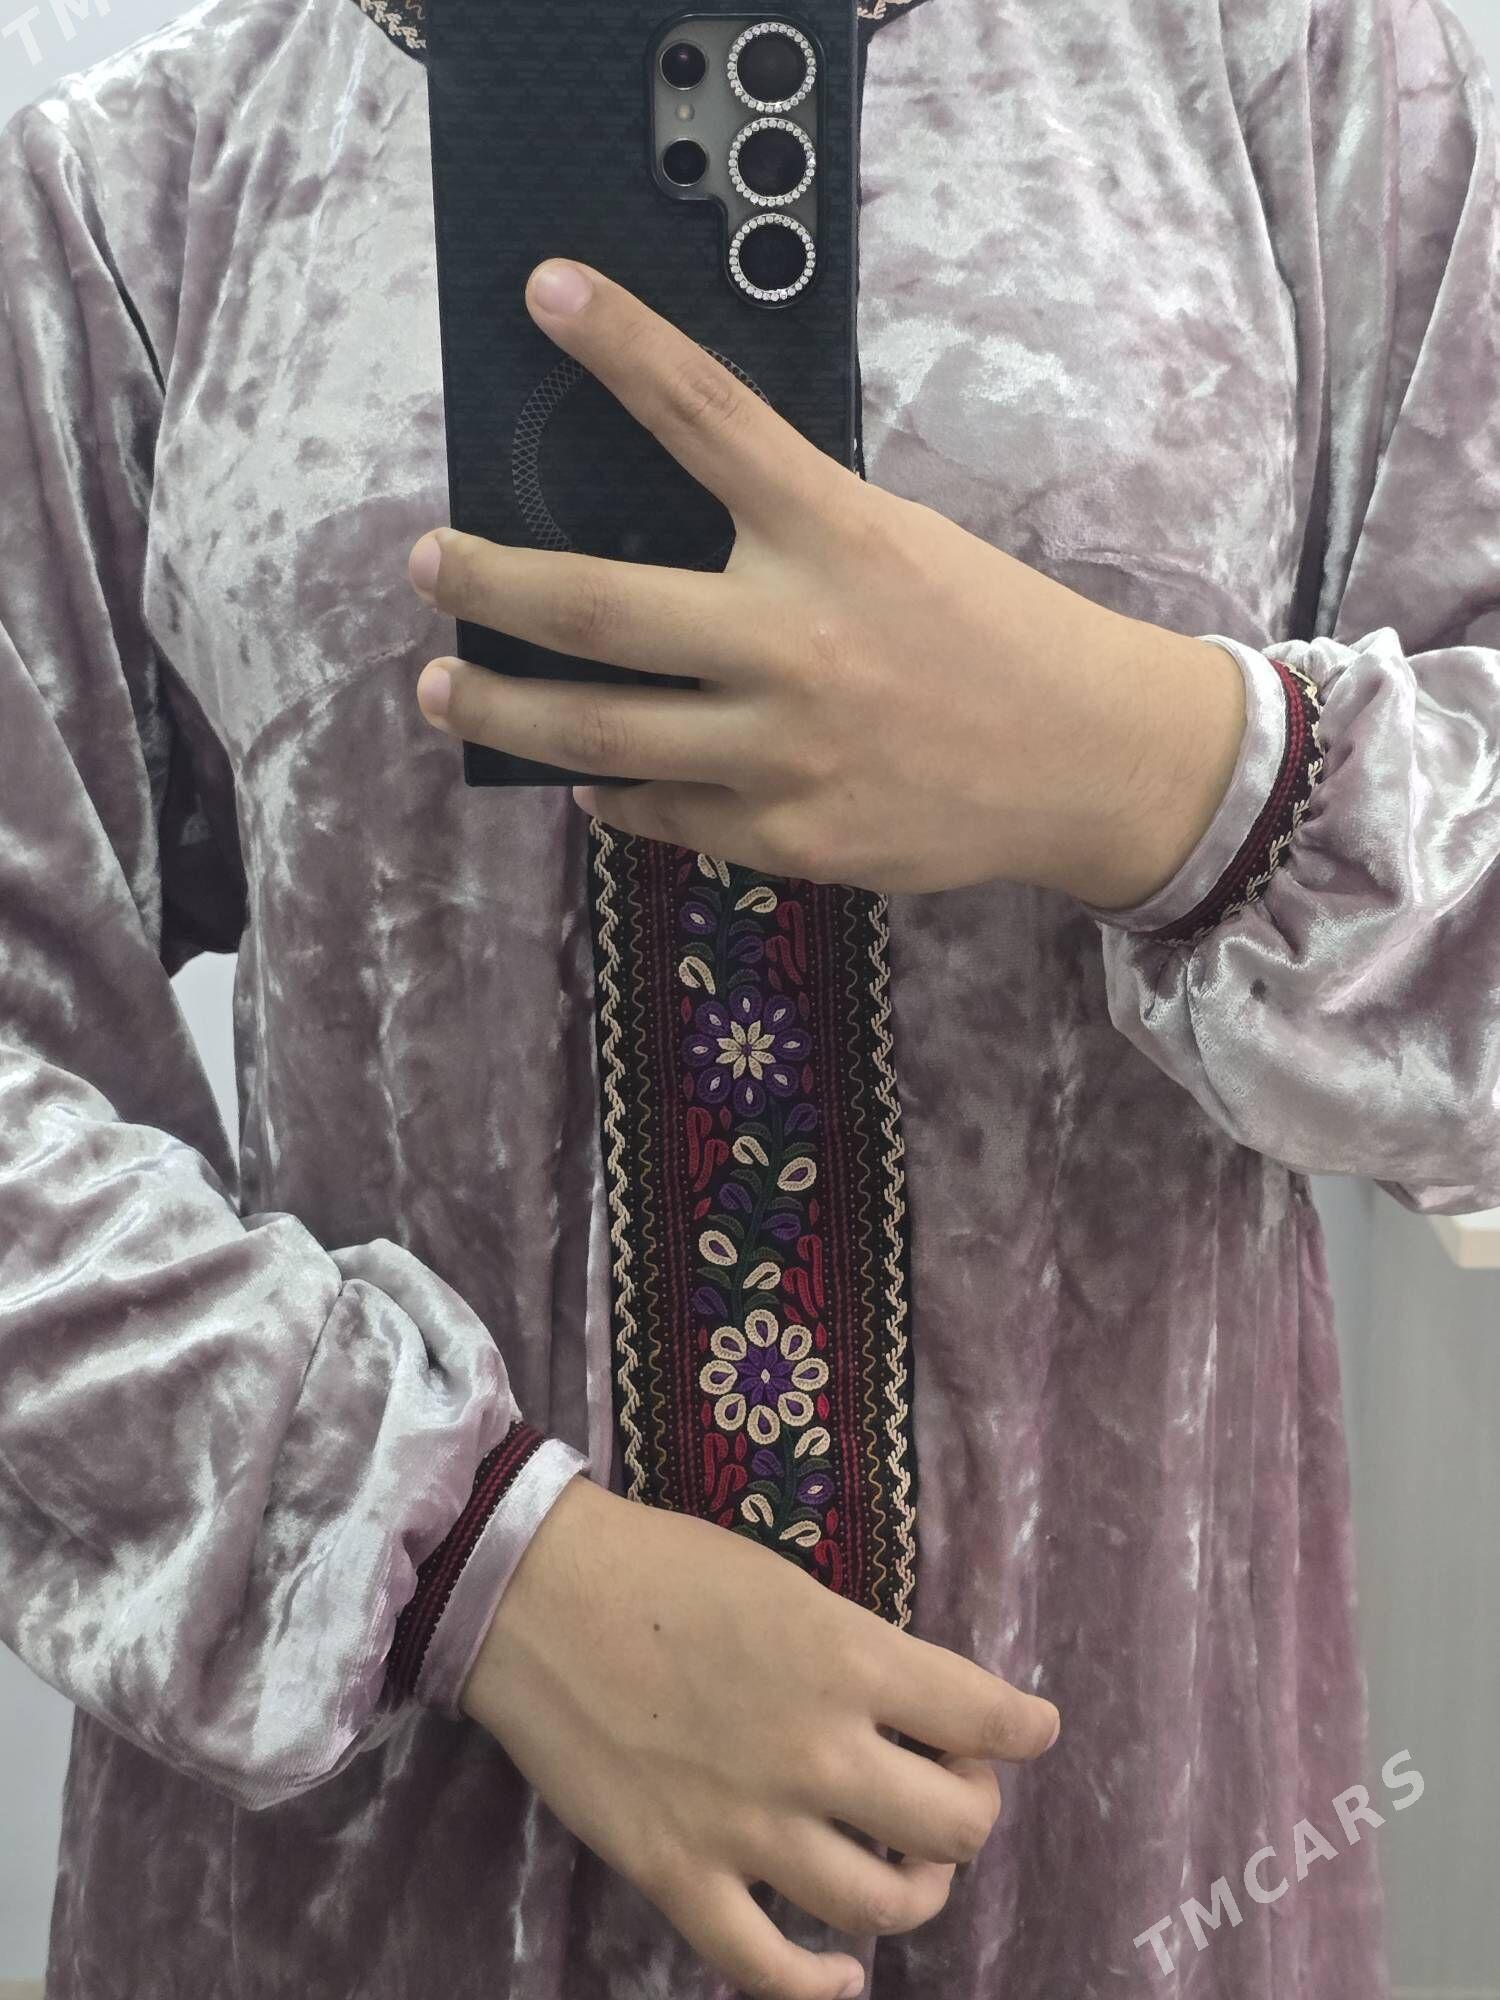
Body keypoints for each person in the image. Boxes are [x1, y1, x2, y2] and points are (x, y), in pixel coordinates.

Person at [1, 0, 1494, 1992]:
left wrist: (1163, 772)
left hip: (1108, 1818)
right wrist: (456, 1562)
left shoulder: (1284, 71)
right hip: (389, 1858)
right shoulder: (154, 181)